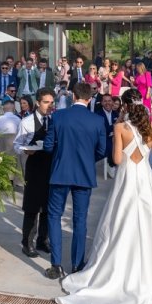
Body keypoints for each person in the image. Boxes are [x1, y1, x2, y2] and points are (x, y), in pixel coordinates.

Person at [58, 88, 152, 304]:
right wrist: (151, 136)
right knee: (151, 219)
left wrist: (120, 132)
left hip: (128, 177)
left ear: (125, 107)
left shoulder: (120, 128)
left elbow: (118, 160)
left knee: (121, 219)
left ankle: (116, 267)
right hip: (145, 178)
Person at [42, 82, 107, 280]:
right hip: (84, 174)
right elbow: (102, 150)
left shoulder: (59, 116)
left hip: (61, 171)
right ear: (90, 98)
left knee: (54, 216)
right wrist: (87, 161)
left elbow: (47, 146)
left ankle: (56, 265)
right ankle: (77, 265)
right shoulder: (97, 121)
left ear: (72, 95)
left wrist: (60, 154)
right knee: (80, 219)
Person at [14, 88, 56, 258]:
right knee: (32, 207)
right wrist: (26, 151)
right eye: (46, 102)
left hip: (51, 166)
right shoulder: (27, 122)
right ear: (38, 103)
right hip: (34, 166)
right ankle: (27, 242)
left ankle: (42, 240)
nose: (49, 105)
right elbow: (17, 145)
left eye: (52, 102)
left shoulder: (55, 120)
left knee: (47, 206)